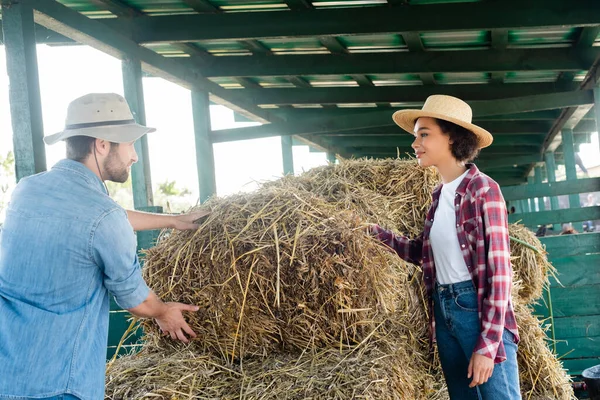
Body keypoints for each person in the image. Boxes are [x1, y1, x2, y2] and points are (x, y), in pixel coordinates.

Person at [0, 93, 205, 400]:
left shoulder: (27, 190)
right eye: (130, 144)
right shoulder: (103, 216)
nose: (134, 156)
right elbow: (136, 300)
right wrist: (163, 311)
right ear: (102, 144)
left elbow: (94, 221)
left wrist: (173, 221)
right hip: (62, 384)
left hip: (9, 377)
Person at [369, 95, 520, 399]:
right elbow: (423, 254)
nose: (415, 144)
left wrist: (489, 344)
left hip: (477, 311)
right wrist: (375, 234)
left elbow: (499, 272)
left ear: (452, 137)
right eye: (415, 136)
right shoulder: (439, 196)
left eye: (424, 134)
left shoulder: (484, 190)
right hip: (444, 309)